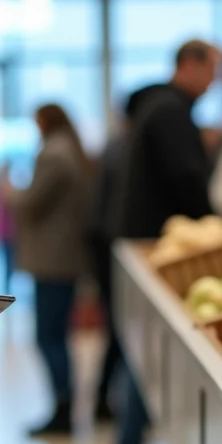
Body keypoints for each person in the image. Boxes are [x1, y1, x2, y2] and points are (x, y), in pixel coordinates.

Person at [109, 38, 221, 444]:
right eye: (212, 69)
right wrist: (212, 225)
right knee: (148, 353)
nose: (214, 81)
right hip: (158, 244)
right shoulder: (171, 111)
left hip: (143, 242)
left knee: (141, 349)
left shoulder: (156, 106)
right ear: (190, 66)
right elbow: (186, 178)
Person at [0, 104, 88, 435]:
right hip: (62, 259)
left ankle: (63, 409)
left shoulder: (53, 154)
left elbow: (28, 203)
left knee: (49, 337)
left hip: (54, 261)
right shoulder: (69, 149)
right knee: (56, 335)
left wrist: (7, 187)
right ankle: (63, 406)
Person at [87, 87, 153, 422]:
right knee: (123, 332)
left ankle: (104, 399)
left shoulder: (115, 147)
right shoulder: (128, 150)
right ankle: (110, 404)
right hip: (116, 252)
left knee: (118, 330)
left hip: (105, 250)